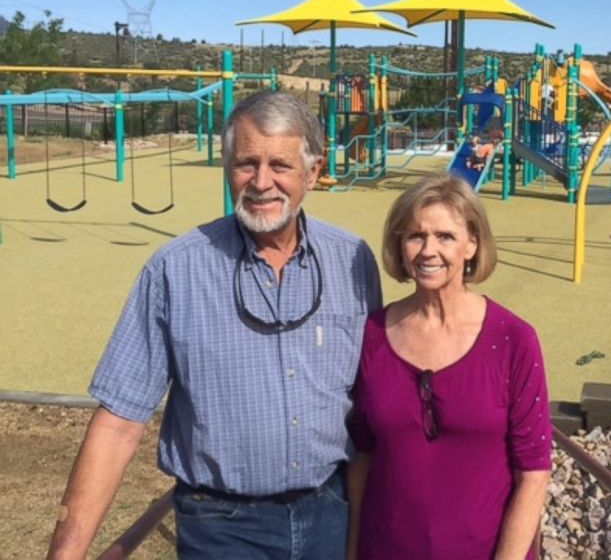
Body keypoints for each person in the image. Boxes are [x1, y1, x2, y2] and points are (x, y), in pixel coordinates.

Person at [47, 91, 383, 560]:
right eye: (246, 163)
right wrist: (66, 553)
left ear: (313, 171)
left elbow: (373, 406)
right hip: (222, 528)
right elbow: (119, 423)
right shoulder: (174, 271)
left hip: (329, 512)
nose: (261, 182)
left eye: (280, 166)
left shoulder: (352, 261)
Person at [348, 174, 552, 560]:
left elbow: (534, 473)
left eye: (445, 236)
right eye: (415, 236)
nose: (428, 250)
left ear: (472, 244)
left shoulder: (513, 339)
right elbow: (362, 457)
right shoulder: (372, 334)